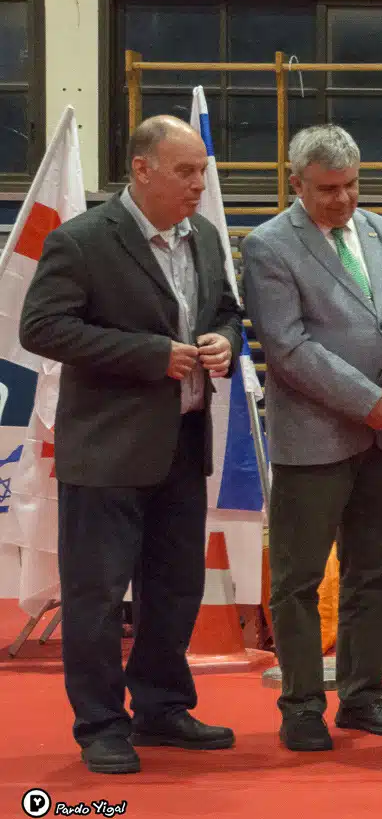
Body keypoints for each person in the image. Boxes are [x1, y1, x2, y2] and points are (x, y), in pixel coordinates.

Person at [20, 115, 244, 774]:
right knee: (97, 593)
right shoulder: (82, 240)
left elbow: (227, 309)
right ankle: (99, 721)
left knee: (175, 588)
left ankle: (162, 705)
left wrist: (225, 341)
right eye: (185, 171)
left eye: (202, 171)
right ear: (141, 168)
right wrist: (151, 355)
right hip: (107, 447)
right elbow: (42, 327)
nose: (199, 184)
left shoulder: (202, 235)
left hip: (183, 438)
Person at [242, 124, 382, 751]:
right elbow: (287, 347)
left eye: (350, 186)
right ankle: (300, 705)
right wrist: (366, 400)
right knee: (298, 579)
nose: (343, 200)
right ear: (295, 183)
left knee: (374, 572)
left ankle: (363, 696)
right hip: (314, 440)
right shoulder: (268, 246)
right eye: (327, 190)